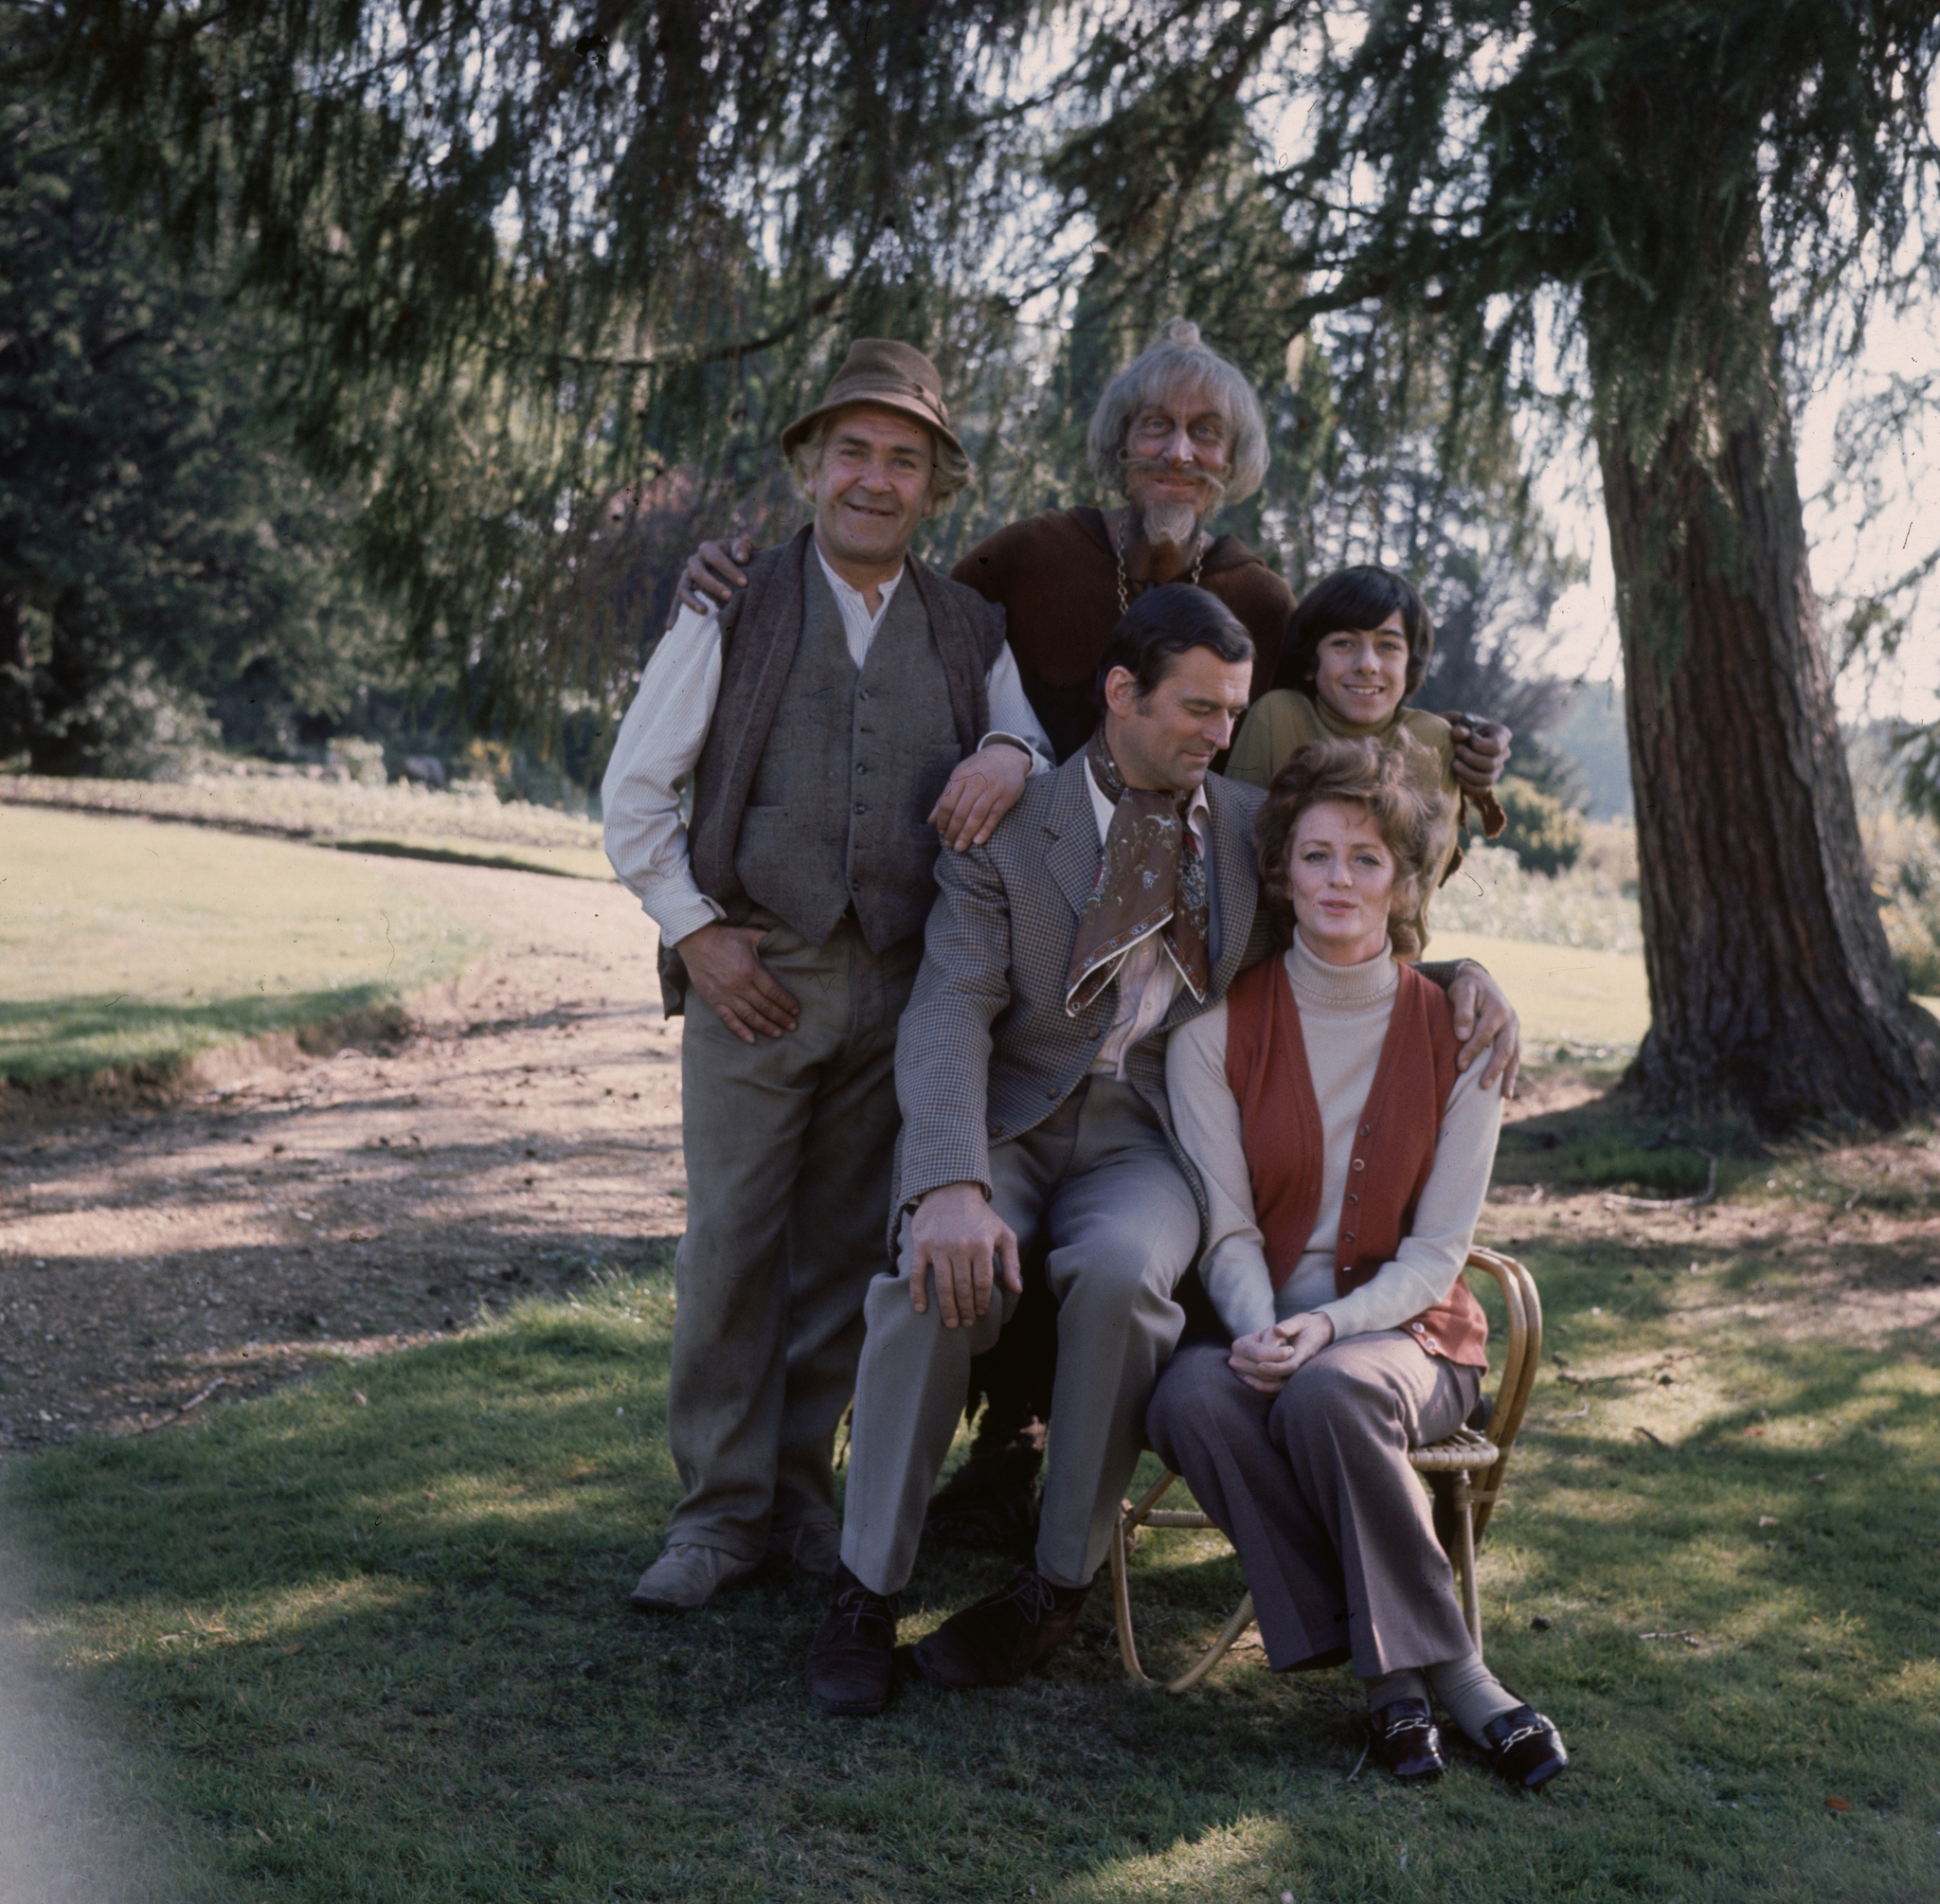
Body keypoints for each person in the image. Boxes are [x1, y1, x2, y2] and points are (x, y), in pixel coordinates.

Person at [675, 325, 1517, 1553]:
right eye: (1156, 426)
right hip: (988, 920)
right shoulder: (1030, 556)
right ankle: (812, 1513)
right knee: (839, 1223)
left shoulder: (1264, 605)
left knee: (1113, 1232)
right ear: (1117, 442)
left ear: (1234, 460)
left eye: (1207, 433)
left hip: (1156, 1006)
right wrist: (740, 582)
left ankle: (1042, 1500)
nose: (1178, 450)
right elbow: (901, 623)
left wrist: (1461, 785)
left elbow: (1342, 770)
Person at [799, 587, 1522, 1716]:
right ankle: (865, 1589)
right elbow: (947, 1010)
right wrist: (946, 1179)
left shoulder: (1244, 825)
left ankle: (1054, 1584)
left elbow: (1349, 919)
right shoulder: (1013, 823)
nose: (1218, 734)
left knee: (1128, 1279)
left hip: (1153, 1135)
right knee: (922, 1282)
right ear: (1119, 692)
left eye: (1232, 712)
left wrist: (1457, 981)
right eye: (1196, 707)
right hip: (1010, 1120)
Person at [601, 338, 1055, 1612]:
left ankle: (800, 1499)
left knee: (843, 1253)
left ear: (935, 485)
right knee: (734, 1249)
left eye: (903, 459)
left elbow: (1023, 730)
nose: (875, 477)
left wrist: (1011, 755)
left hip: (899, 992)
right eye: (852, 450)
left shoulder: (970, 625)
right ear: (810, 465)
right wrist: (698, 934)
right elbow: (636, 792)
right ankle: (715, 1514)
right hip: (758, 969)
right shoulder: (731, 600)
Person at [1146, 736, 1568, 1790]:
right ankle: (1409, 1667)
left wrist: (1328, 1328)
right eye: (1317, 855)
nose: (1338, 879)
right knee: (1191, 1397)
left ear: (1405, 879)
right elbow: (1225, 1230)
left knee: (1329, 1393)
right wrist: (1257, 1330)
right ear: (1280, 870)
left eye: (1366, 859)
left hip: (1408, 1335)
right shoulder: (1210, 1039)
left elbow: (1436, 1252)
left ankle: (1428, 1686)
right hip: (1254, 1320)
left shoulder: (1464, 1034)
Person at [1224, 564, 1507, 951]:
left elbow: (1413, 891)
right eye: (1343, 643)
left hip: (1388, 965)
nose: (1367, 663)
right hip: (1275, 959)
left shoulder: (1431, 741)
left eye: (1388, 645)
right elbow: (1237, 859)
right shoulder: (1278, 716)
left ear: (1411, 665)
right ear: (1311, 661)